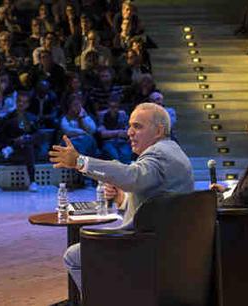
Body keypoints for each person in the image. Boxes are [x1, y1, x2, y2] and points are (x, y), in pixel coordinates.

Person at [49, 102, 194, 292]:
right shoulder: (173, 151)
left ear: (159, 131)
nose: (129, 132)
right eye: (130, 126)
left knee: (74, 256)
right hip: (168, 243)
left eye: (137, 126)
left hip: (146, 246)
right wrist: (123, 200)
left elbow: (131, 176)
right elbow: (157, 201)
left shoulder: (159, 154)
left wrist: (80, 162)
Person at [0, 91, 40, 192]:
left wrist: (27, 138)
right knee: (25, 144)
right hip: (13, 146)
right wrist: (14, 140)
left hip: (27, 147)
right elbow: (1, 137)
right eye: (19, 101)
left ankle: (33, 182)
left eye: (24, 102)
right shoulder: (8, 117)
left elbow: (38, 135)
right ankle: (32, 181)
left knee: (27, 145)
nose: (21, 104)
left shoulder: (33, 118)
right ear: (16, 102)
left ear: (28, 105)